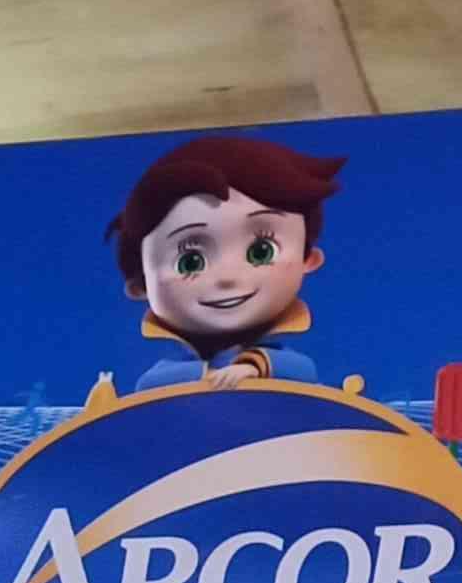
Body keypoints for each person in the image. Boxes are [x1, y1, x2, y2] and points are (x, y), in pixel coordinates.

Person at [108, 133, 345, 391]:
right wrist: (206, 378)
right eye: (190, 262)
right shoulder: (168, 375)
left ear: (308, 260)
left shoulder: (286, 364)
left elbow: (303, 371)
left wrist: (255, 366)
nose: (227, 277)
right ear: (141, 285)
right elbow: (151, 385)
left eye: (261, 252)